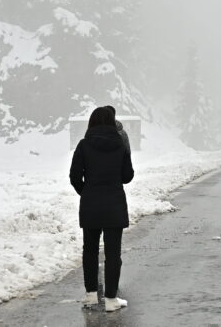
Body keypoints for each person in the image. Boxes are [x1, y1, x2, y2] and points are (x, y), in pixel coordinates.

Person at [70, 106, 135, 312]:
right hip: (114, 204)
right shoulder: (120, 145)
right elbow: (127, 176)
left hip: (90, 204)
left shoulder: (83, 145)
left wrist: (86, 192)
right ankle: (110, 299)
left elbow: (74, 176)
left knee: (89, 250)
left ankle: (90, 295)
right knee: (113, 253)